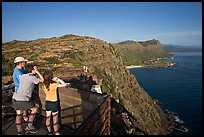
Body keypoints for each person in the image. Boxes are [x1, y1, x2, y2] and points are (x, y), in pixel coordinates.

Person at [12, 65, 44, 135]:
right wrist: (37, 71)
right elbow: (43, 80)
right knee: (34, 109)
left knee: (19, 114)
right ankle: (29, 126)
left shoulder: (23, 76)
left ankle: (20, 131)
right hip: (23, 99)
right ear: (32, 70)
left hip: (15, 98)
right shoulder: (32, 78)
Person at [41, 70, 67, 135]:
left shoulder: (43, 83)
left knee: (48, 118)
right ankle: (56, 133)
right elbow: (64, 84)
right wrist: (58, 79)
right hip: (54, 103)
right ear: (51, 77)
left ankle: (49, 132)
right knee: (55, 120)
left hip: (47, 103)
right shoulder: (53, 85)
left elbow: (42, 79)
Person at [12, 57, 29, 122]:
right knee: (21, 105)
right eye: (24, 62)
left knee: (23, 105)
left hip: (21, 90)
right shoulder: (18, 72)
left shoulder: (21, 70)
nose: (25, 63)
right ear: (20, 63)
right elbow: (22, 80)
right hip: (20, 91)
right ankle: (22, 119)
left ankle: (25, 117)